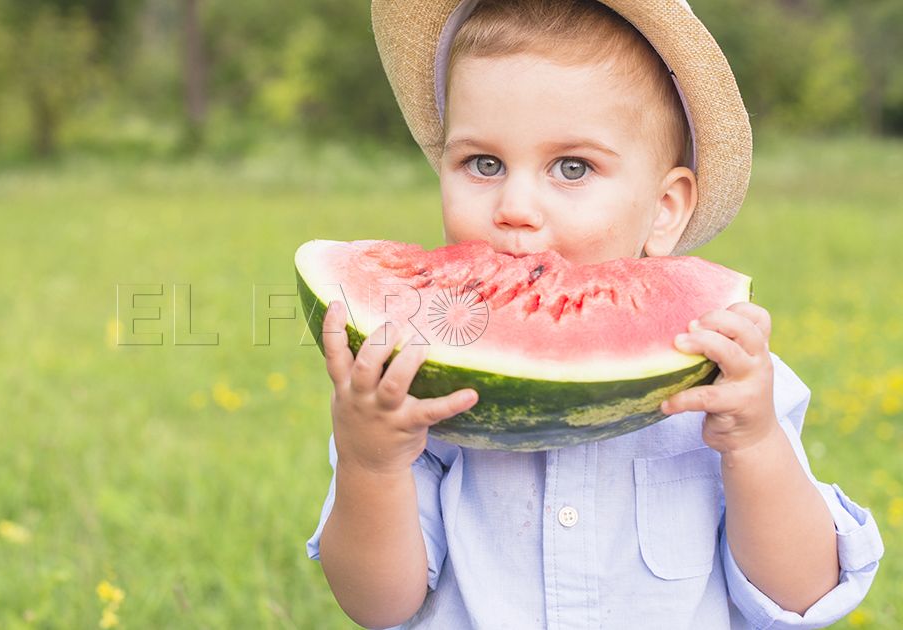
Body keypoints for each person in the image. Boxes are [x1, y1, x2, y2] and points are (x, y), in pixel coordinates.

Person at [304, 0, 884, 628]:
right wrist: (371, 463)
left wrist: (755, 444)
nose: (515, 206)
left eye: (572, 168)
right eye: (484, 164)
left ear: (665, 208)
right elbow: (378, 606)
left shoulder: (732, 379)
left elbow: (804, 595)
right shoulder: (415, 382)